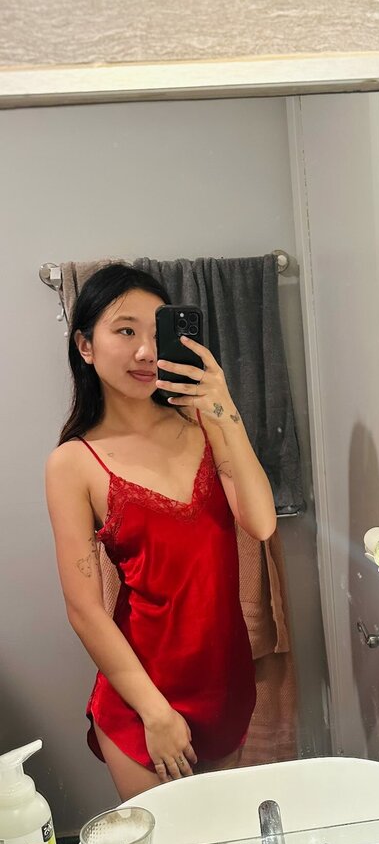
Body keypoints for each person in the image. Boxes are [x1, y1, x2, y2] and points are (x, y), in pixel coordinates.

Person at [45, 264, 276, 801]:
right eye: (125, 331)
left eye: (157, 331)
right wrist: (155, 712)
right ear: (85, 346)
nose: (146, 351)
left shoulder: (203, 426)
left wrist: (223, 406)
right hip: (143, 698)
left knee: (227, 841)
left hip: (225, 685)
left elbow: (261, 521)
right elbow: (84, 610)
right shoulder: (73, 464)